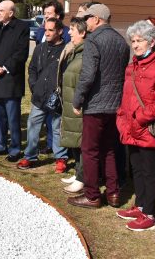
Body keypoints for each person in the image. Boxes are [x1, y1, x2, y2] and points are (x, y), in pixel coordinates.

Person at [115, 20, 155, 231]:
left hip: (147, 128)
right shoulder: (132, 65)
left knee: (150, 173)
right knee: (136, 170)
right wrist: (122, 117)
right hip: (130, 127)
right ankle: (140, 205)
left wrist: (140, 117)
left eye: (139, 41)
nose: (135, 45)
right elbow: (126, 95)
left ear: (151, 41)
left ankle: (149, 214)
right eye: (133, 40)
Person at [68, 3, 130, 209]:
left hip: (96, 104)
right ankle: (113, 194)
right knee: (110, 149)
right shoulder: (121, 41)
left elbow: (87, 75)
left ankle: (92, 195)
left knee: (90, 150)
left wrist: (78, 100)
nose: (85, 22)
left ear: (97, 19)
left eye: (87, 18)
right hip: (115, 104)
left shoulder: (93, 40)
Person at [17, 17, 68, 172]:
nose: (47, 33)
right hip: (39, 96)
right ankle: (30, 156)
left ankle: (60, 158)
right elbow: (32, 68)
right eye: (45, 29)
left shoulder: (67, 50)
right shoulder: (39, 48)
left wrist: (60, 90)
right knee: (32, 125)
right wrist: (34, 85)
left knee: (57, 127)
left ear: (60, 31)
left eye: (51, 30)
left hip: (57, 97)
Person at [0, 0, 30, 161]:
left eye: (2, 10)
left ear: (11, 13)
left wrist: (3, 68)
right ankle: (0, 145)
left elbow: (21, 54)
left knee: (12, 117)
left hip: (10, 78)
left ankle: (15, 149)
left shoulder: (22, 28)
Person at [35, 0, 71, 153]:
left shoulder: (67, 34)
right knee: (41, 117)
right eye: (45, 13)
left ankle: (57, 147)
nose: (45, 16)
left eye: (49, 13)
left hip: (56, 83)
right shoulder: (40, 32)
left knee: (55, 118)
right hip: (40, 82)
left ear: (57, 15)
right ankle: (49, 144)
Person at [59, 17, 88, 195]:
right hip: (70, 104)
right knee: (74, 142)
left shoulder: (86, 54)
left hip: (78, 106)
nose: (68, 32)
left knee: (82, 142)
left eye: (72, 29)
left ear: (83, 32)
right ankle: (78, 172)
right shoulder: (75, 51)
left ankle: (82, 178)